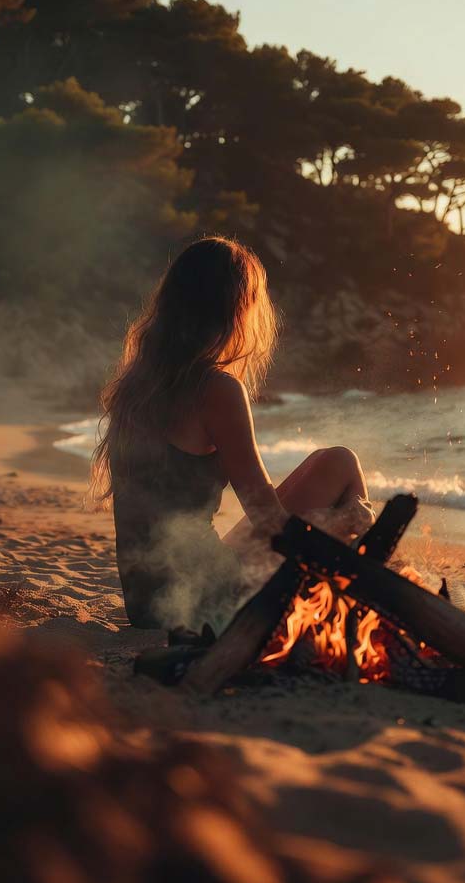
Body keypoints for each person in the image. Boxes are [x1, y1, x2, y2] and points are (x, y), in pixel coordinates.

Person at [91, 236, 374, 633]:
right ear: (234, 308)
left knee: (324, 463)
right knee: (340, 463)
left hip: (148, 601)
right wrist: (342, 519)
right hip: (199, 601)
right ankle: (366, 597)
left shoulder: (139, 384)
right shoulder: (215, 389)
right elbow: (270, 520)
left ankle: (358, 593)